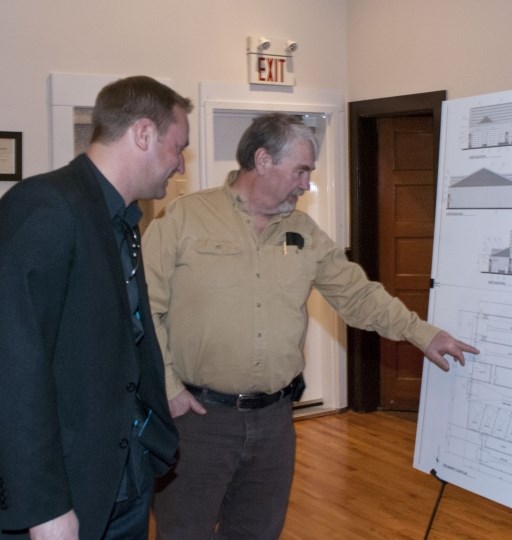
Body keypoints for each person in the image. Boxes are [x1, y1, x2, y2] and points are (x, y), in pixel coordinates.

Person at [143, 112, 479, 539]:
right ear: (263, 160)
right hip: (199, 418)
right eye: (301, 171)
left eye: (309, 173)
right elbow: (142, 310)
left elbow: (358, 295)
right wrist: (169, 387)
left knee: (257, 531)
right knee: (183, 532)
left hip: (274, 422)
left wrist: (423, 333)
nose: (306, 184)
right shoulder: (184, 219)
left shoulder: (304, 231)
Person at [0, 76, 192, 540]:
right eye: (177, 146)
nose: (180, 164)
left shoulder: (124, 218)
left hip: (122, 479)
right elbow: (14, 366)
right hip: (62, 495)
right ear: (143, 134)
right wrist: (44, 506)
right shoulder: (45, 206)